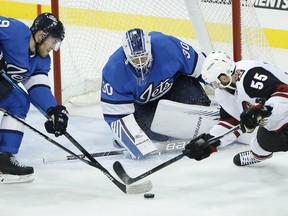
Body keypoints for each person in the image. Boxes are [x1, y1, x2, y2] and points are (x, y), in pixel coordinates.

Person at [101, 28, 211, 159]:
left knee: (199, 103)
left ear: (150, 48)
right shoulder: (114, 71)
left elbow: (205, 69)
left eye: (144, 57)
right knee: (158, 134)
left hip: (175, 87)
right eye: (135, 60)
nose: (141, 64)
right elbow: (117, 116)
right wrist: (133, 143)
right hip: (144, 106)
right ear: (126, 56)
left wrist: (231, 95)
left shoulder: (168, 46)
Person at [182, 51, 288, 166]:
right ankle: (258, 154)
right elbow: (231, 121)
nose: (219, 87)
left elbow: (285, 91)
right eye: (216, 84)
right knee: (265, 141)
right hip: (280, 115)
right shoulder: (223, 93)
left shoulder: (250, 77)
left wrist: (265, 109)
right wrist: (210, 141)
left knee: (273, 131)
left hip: (283, 108)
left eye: (221, 81)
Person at [0, 13, 69, 183]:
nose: (53, 47)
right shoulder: (14, 31)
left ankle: (3, 158)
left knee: (19, 102)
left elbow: (38, 88)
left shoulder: (41, 61)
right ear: (41, 35)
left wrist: (53, 110)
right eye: (53, 41)